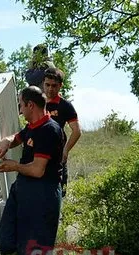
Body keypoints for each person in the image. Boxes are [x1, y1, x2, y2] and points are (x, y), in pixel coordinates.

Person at [0, 86, 64, 255]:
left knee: (32, 250)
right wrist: (7, 140)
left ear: (30, 105)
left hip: (42, 195)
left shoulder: (49, 130)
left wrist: (14, 165)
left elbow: (37, 170)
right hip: (23, 191)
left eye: (21, 105)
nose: (20, 109)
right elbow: (19, 137)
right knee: (4, 243)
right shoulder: (33, 127)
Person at [43, 67, 81, 197]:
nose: (50, 89)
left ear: (60, 86)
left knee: (59, 192)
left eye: (54, 86)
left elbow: (76, 131)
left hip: (57, 155)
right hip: (38, 154)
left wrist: (65, 150)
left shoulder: (65, 105)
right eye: (47, 85)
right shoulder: (37, 102)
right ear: (43, 83)